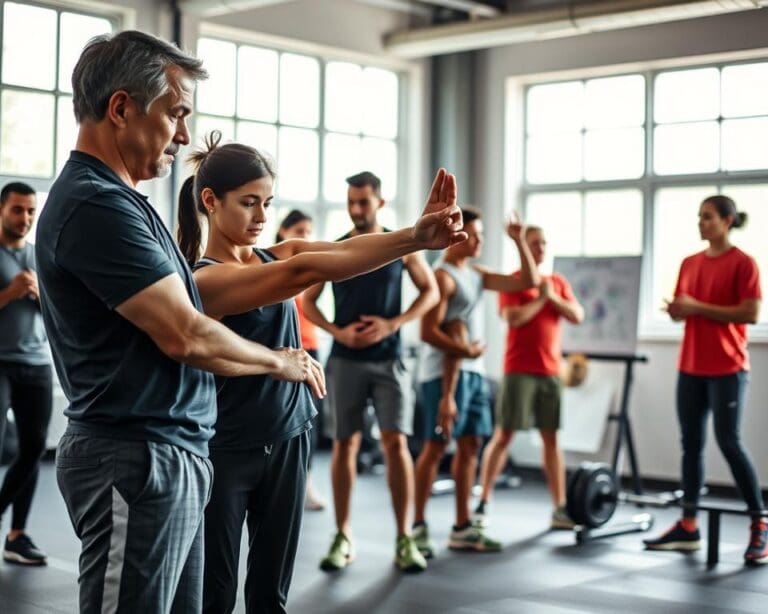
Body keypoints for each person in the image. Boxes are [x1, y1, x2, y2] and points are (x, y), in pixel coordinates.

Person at [35, 31, 318, 614]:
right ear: (121, 109)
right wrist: (278, 361)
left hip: (170, 453)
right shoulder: (96, 204)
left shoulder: (127, 199)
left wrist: (414, 238)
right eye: (176, 113)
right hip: (134, 456)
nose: (184, 135)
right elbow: (185, 332)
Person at [176, 136, 464, 610]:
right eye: (248, 203)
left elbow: (339, 253)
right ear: (211, 201)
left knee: (271, 592)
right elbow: (307, 271)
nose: (262, 216)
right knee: (217, 593)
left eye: (267, 203)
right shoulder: (205, 279)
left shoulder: (276, 253)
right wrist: (411, 239)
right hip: (228, 448)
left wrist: (415, 238)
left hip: (289, 441)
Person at [303, 171, 440, 573]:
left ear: (380, 202)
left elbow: (430, 291)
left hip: (389, 358)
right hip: (345, 360)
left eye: (363, 201)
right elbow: (308, 300)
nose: (356, 209)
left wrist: (393, 323)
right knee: (345, 444)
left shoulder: (401, 245)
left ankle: (404, 538)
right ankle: (343, 535)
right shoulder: (338, 248)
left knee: (396, 443)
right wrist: (336, 331)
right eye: (351, 201)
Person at [644, 195, 767, 564]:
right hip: (691, 366)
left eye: (709, 217)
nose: (702, 223)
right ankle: (688, 524)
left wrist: (697, 307)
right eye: (699, 217)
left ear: (728, 221)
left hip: (728, 368)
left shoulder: (744, 263)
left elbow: (750, 312)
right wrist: (678, 311)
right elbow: (685, 312)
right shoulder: (689, 263)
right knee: (691, 444)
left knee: (729, 442)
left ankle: (759, 525)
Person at [412, 207, 539, 557]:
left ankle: (462, 527)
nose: (481, 240)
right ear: (458, 235)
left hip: (473, 373)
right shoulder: (444, 277)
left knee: (470, 446)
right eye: (476, 234)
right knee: (434, 449)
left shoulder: (477, 274)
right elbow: (428, 331)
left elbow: (527, 281)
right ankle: (418, 526)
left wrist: (517, 241)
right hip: (442, 377)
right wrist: (464, 350)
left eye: (483, 234)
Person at [473, 225, 584, 530]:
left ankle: (560, 508)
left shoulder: (556, 282)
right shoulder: (513, 282)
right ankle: (483, 502)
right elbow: (513, 318)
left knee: (551, 439)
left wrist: (552, 297)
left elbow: (577, 314)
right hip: (519, 369)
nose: (541, 249)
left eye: (544, 243)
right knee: (504, 436)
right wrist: (541, 300)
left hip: (550, 372)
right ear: (524, 246)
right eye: (535, 243)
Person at [0, 182, 52, 566]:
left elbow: (58, 318)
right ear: (2, 210)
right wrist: (10, 293)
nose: (25, 218)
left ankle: (17, 535)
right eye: (18, 210)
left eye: (31, 211)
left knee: (34, 446)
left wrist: (42, 298)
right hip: (0, 362)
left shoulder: (39, 257)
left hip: (36, 363)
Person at [276, 210, 326, 511]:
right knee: (286, 423)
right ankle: (284, 482)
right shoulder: (274, 267)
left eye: (309, 231)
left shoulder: (309, 269)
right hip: (284, 354)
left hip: (311, 349)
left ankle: (305, 483)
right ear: (283, 231)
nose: (305, 236)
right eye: (299, 230)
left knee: (312, 422)